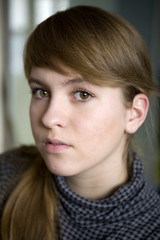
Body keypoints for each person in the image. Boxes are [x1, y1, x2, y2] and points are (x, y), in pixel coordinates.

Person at [0, 5, 160, 240]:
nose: (49, 118)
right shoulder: (7, 178)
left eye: (82, 94)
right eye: (41, 92)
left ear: (134, 113)